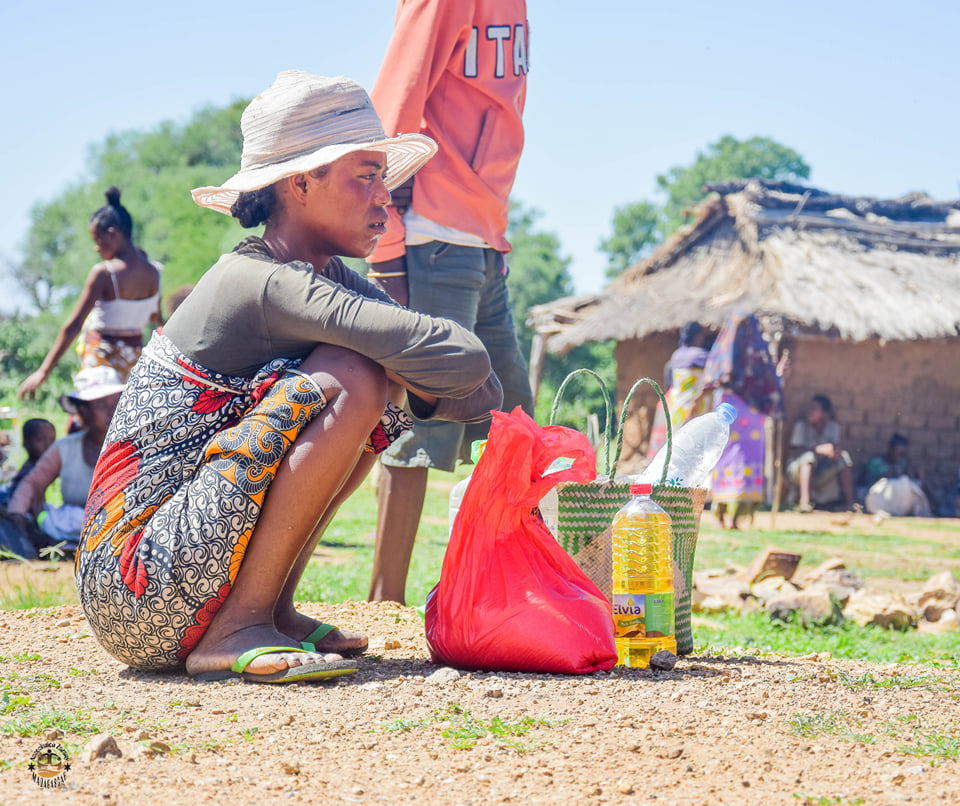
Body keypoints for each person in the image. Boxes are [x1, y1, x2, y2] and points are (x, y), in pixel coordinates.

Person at [75, 71, 502, 684]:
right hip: (137, 583)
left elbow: (478, 390)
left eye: (383, 177)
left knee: (375, 385)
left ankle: (270, 610)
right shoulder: (262, 281)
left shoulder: (322, 278)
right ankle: (236, 627)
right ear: (301, 183)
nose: (386, 197)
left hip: (174, 576)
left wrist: (412, 377)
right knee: (355, 374)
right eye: (366, 176)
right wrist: (414, 374)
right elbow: (466, 363)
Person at [365, 0, 535, 604]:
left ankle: (523, 594)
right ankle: (385, 602)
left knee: (514, 426)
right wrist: (386, 252)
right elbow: (389, 119)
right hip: (432, 235)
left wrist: (494, 240)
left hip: (483, 243)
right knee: (420, 424)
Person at [17, 188, 162, 401]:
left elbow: (74, 325)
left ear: (112, 234)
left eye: (98, 240)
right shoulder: (154, 272)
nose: (96, 248)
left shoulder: (104, 273)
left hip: (101, 366)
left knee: (91, 422)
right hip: (135, 366)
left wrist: (44, 370)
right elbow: (156, 319)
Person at [7, 368, 123, 552]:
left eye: (115, 403)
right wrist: (18, 519)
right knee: (68, 518)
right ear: (83, 411)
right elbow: (32, 484)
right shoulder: (66, 448)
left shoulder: (132, 445)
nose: (111, 411)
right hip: (75, 526)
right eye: (102, 405)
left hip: (121, 525)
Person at [700, 314, 783, 529]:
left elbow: (712, 378)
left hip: (741, 411)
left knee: (737, 458)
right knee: (729, 456)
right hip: (742, 412)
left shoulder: (725, 353)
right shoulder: (756, 355)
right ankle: (726, 514)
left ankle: (733, 516)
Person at [647, 321, 711, 459]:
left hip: (677, 405)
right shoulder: (701, 355)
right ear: (697, 336)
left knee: (679, 441)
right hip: (695, 403)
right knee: (696, 441)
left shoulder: (676, 355)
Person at [786, 394, 856, 512]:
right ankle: (804, 503)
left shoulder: (832, 427)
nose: (809, 412)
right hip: (797, 471)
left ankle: (851, 504)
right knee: (809, 458)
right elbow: (795, 452)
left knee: (844, 458)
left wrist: (835, 452)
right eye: (809, 408)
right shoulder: (801, 426)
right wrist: (817, 450)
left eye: (814, 409)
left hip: (820, 471)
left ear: (825, 413)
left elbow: (836, 447)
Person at [862, 433, 932, 517]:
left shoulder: (902, 463)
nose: (900, 457)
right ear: (890, 450)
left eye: (902, 454)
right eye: (898, 453)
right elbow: (868, 484)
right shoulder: (877, 463)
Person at [0, 418, 57, 517]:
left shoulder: (43, 467)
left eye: (52, 441)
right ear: (26, 444)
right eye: (40, 440)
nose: (47, 446)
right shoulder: (30, 473)